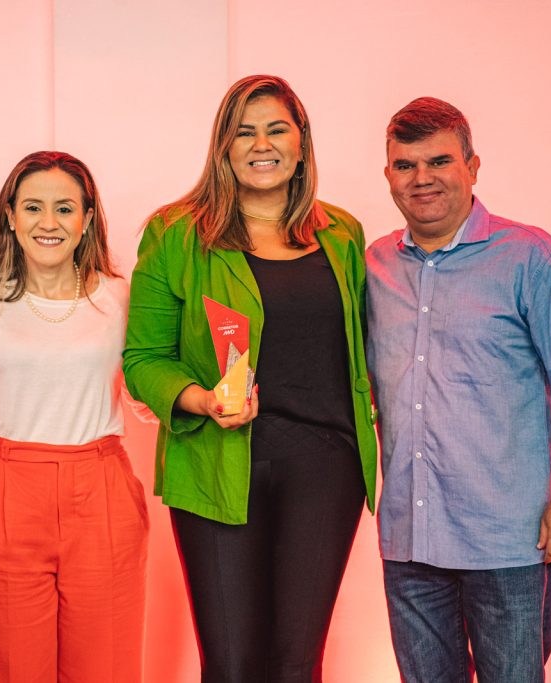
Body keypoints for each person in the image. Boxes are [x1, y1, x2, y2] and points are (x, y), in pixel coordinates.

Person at [123, 74, 377, 682]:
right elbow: (143, 359)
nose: (261, 145)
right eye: (244, 132)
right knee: (232, 664)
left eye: (276, 129)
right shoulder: (177, 234)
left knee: (296, 664)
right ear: (224, 147)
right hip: (215, 462)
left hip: (325, 468)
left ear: (301, 142)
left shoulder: (342, 235)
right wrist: (201, 399)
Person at [366, 97, 551, 682]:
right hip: (409, 540)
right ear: (388, 175)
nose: (422, 178)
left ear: (473, 167)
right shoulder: (375, 266)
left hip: (508, 540)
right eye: (405, 165)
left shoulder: (529, 256)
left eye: (439, 161)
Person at [0, 151, 151, 682]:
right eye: (33, 207)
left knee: (106, 667)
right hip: (9, 493)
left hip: (103, 488)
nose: (48, 222)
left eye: (65, 208)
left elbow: (143, 395)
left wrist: (204, 393)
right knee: (10, 669)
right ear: (10, 217)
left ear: (87, 219)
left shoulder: (119, 298)